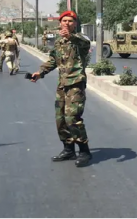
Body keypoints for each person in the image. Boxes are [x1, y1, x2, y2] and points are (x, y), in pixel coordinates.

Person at [29, 10, 92, 167]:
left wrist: (70, 36)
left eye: (71, 21)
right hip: (62, 85)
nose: (67, 23)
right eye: (64, 21)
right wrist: (40, 72)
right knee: (61, 119)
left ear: (75, 24)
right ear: (60, 23)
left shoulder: (80, 40)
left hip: (76, 84)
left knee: (73, 118)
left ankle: (84, 150)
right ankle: (68, 148)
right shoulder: (59, 42)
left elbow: (85, 44)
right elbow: (52, 60)